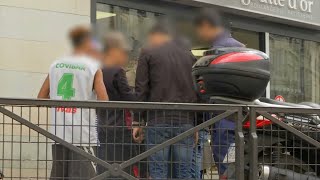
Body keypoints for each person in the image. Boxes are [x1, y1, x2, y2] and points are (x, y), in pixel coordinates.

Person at [37, 26, 108, 179]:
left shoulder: (56, 65)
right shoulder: (93, 67)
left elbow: (41, 97)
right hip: (83, 136)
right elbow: (105, 101)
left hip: (59, 135)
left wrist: (61, 101)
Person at [133, 23, 198, 179]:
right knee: (184, 172)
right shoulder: (189, 56)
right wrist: (197, 123)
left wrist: (137, 121)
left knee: (158, 171)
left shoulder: (147, 53)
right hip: (185, 121)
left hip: (157, 120)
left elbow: (141, 89)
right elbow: (197, 90)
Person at [194, 8, 245, 179]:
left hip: (223, 117)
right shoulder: (240, 47)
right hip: (236, 115)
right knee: (235, 164)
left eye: (200, 30)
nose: (199, 34)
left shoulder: (218, 49)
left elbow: (207, 85)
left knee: (225, 167)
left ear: (207, 26)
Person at [96, 31, 142, 178]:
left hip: (102, 125)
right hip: (119, 125)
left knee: (105, 164)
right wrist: (143, 100)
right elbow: (127, 96)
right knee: (123, 165)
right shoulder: (117, 71)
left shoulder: (98, 69)